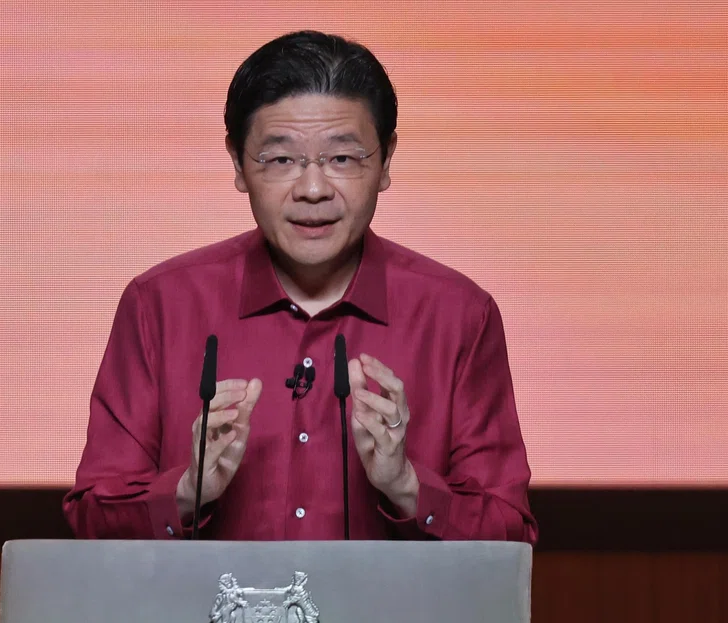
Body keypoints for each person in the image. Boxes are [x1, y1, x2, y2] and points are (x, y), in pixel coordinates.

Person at [63, 30, 538, 543]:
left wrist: (406, 485)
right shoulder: (159, 305)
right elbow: (91, 524)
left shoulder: (459, 315)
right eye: (281, 160)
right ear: (238, 164)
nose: (313, 190)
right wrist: (185, 490)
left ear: (386, 162)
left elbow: (511, 538)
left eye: (343, 158)